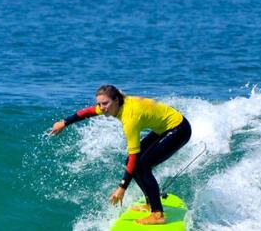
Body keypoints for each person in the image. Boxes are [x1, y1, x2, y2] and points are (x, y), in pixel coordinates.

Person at [50, 85, 192, 225]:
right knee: (135, 165)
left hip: (179, 129)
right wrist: (64, 122)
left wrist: (122, 188)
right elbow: (88, 112)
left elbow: (133, 156)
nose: (102, 107)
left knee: (142, 166)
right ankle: (150, 203)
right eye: (99, 104)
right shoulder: (114, 105)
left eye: (105, 103)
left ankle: (157, 214)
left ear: (116, 100)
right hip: (163, 127)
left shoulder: (129, 118)